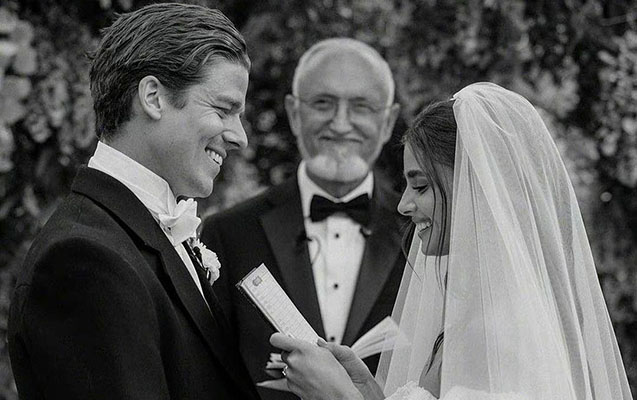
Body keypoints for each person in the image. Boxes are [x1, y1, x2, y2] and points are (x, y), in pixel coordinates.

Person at [270, 82, 633, 400]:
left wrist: (339, 397)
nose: (403, 204)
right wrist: (366, 393)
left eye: (421, 186)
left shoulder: (498, 333)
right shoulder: (473, 319)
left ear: (478, 190)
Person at [8, 4, 260, 399]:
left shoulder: (138, 231)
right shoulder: (83, 260)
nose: (240, 137)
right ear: (154, 97)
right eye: (224, 110)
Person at [201, 38, 405, 399]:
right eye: (323, 103)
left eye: (361, 106)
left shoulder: (423, 233)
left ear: (388, 121)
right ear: (294, 113)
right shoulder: (228, 234)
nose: (340, 123)